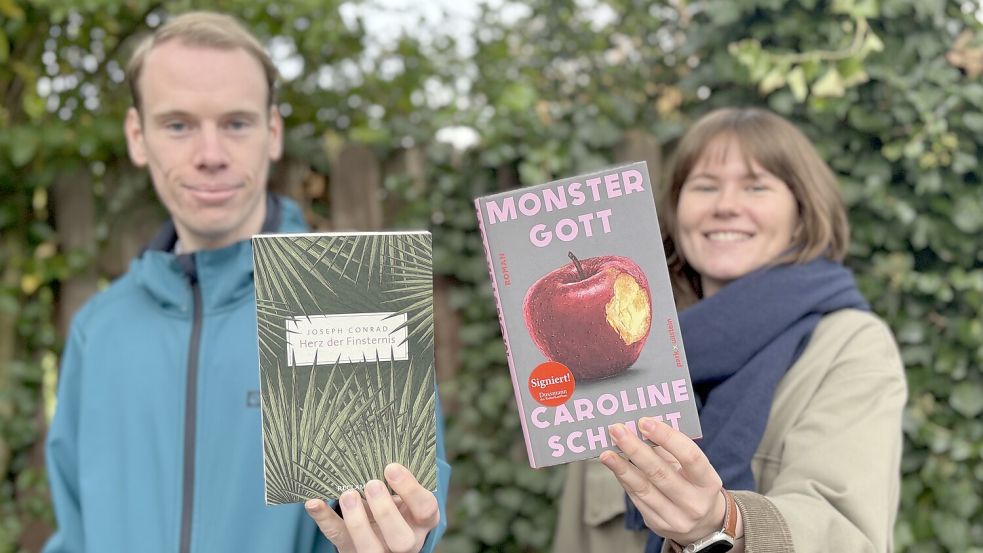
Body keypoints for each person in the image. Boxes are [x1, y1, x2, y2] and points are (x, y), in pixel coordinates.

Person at [43, 11, 450, 553]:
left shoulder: (351, 303)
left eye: (236, 123)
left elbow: (395, 520)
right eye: (178, 125)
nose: (210, 156)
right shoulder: (99, 329)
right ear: (138, 137)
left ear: (272, 132)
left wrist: (399, 540)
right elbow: (76, 532)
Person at [552, 107, 906, 553]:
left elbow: (846, 532)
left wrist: (725, 524)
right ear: (676, 210)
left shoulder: (849, 344)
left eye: (756, 186)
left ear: (802, 212)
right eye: (705, 186)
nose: (725, 206)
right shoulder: (620, 353)